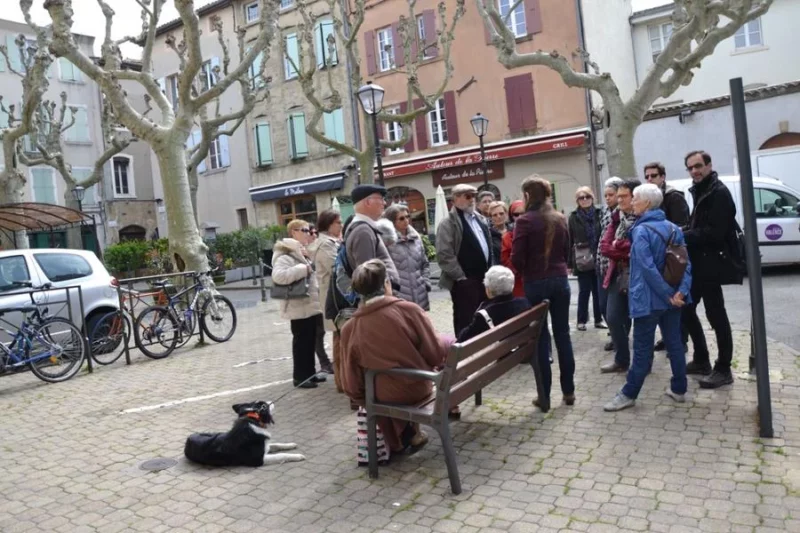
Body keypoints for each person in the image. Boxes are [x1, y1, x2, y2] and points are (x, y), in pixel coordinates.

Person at [340, 259, 449, 454]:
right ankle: (409, 435)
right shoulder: (409, 310)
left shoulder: (350, 328)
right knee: (389, 388)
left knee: (377, 390)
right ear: (386, 284)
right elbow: (436, 355)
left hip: (384, 394)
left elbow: (351, 382)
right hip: (420, 385)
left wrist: (361, 398)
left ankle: (399, 440)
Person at [604, 184, 691, 411]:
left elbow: (647, 268)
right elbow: (685, 264)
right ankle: (679, 389)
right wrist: (680, 291)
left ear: (647, 203)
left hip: (650, 301)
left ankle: (628, 394)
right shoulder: (674, 228)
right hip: (673, 299)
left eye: (635, 199)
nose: (632, 202)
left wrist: (668, 294)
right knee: (675, 344)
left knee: (642, 349)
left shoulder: (641, 231)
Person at [511, 175, 575, 411]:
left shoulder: (525, 221)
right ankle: (569, 391)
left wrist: (526, 268)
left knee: (540, 339)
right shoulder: (560, 218)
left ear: (527, 196)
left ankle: (544, 396)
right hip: (560, 280)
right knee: (563, 335)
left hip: (535, 283)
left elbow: (517, 258)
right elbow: (567, 251)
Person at [681, 150, 739, 389]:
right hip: (700, 264)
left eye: (698, 166)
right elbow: (699, 225)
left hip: (712, 264)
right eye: (691, 168)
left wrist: (683, 235)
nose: (695, 171)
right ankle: (702, 358)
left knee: (717, 316)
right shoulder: (702, 190)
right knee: (686, 308)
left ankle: (723, 368)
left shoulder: (719, 192)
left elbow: (714, 233)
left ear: (709, 165)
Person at [271, 219, 327, 389]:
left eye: (309, 230)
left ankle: (310, 373)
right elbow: (278, 276)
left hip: (308, 304)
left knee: (310, 340)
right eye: (304, 230)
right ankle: (300, 377)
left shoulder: (301, 251)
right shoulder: (285, 253)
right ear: (293, 232)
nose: (308, 233)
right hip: (297, 305)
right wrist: (304, 269)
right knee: (301, 342)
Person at [644, 162, 691, 353]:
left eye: (653, 176)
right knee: (663, 302)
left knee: (679, 305)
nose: (650, 179)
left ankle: (681, 343)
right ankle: (668, 338)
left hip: (674, 256)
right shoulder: (650, 197)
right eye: (647, 176)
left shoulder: (673, 196)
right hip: (659, 257)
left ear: (662, 177)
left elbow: (682, 226)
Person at [436, 183, 494, 335]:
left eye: (474, 196)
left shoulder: (480, 219)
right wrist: (461, 277)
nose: (472, 200)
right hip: (465, 282)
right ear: (455, 199)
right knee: (466, 321)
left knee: (485, 317)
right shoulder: (448, 223)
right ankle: (466, 354)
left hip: (484, 279)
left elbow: (488, 246)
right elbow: (444, 254)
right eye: (468, 196)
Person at [598, 179, 641, 374]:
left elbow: (638, 249)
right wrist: (621, 248)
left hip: (639, 276)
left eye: (624, 196)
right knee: (613, 317)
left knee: (641, 321)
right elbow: (604, 247)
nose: (620, 200)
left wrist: (619, 246)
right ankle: (622, 359)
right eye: (619, 196)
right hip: (617, 273)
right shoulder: (616, 217)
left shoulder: (642, 217)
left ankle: (641, 363)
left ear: (635, 197)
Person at [308, 210, 342, 381]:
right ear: (329, 225)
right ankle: (343, 377)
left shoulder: (332, 241)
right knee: (340, 334)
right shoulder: (326, 244)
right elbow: (337, 268)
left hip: (337, 295)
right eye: (338, 222)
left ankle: (344, 376)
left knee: (341, 334)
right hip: (334, 296)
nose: (341, 225)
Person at [457, 266, 531, 342]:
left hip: (499, 352)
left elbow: (462, 339)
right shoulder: (524, 303)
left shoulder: (484, 315)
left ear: (489, 290)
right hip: (521, 348)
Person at [568, 187, 604, 331]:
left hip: (599, 256)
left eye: (587, 196)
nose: (584, 200)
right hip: (582, 257)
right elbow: (570, 239)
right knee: (584, 290)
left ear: (592, 198)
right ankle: (581, 320)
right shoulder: (573, 217)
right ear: (577, 200)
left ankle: (598, 319)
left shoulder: (599, 213)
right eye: (581, 198)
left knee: (598, 291)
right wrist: (570, 262)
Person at [383, 204, 431, 310]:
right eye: (401, 218)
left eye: (407, 216)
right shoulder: (387, 242)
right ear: (392, 221)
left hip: (420, 295)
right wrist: (393, 292)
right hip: (399, 297)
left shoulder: (416, 238)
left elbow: (425, 263)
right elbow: (385, 270)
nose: (406, 220)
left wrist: (426, 282)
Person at [597, 177, 624, 351]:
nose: (608, 198)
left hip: (616, 266)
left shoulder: (622, 214)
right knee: (603, 305)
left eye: (611, 195)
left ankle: (619, 341)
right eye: (605, 195)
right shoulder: (605, 212)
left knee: (615, 311)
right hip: (602, 264)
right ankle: (617, 337)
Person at [501, 200, 525, 297]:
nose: (520, 217)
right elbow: (505, 259)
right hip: (517, 280)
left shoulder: (536, 231)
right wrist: (518, 270)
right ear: (512, 216)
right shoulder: (507, 236)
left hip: (534, 278)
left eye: (523, 213)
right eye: (516, 214)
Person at [488, 201, 509, 266]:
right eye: (495, 215)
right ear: (491, 217)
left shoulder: (514, 231)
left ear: (506, 214)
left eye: (501, 213)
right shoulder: (488, 235)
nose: (499, 216)